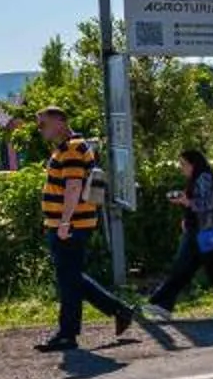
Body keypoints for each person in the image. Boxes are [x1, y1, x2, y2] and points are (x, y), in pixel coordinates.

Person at [32, 105, 135, 351]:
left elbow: (73, 187)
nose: (39, 129)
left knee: (69, 281)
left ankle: (68, 334)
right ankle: (119, 310)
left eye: (42, 124)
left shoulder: (72, 149)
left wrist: (65, 222)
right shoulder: (68, 147)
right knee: (72, 277)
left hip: (71, 224)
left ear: (59, 122)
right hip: (69, 223)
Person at [143, 146, 213, 320]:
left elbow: (212, 201)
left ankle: (160, 305)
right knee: (211, 269)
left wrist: (188, 202)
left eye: (184, 164)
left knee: (200, 268)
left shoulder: (203, 177)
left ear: (194, 164)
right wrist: (187, 211)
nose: (181, 167)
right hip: (201, 231)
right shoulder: (197, 178)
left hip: (207, 231)